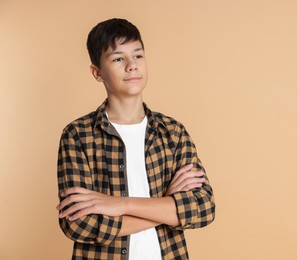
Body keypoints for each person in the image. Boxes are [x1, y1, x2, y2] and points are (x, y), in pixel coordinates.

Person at [56, 18, 215, 260]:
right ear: (97, 72)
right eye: (118, 58)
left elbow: (203, 208)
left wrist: (119, 204)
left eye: (138, 56)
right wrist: (165, 205)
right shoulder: (78, 135)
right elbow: (79, 224)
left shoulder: (172, 132)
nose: (132, 66)